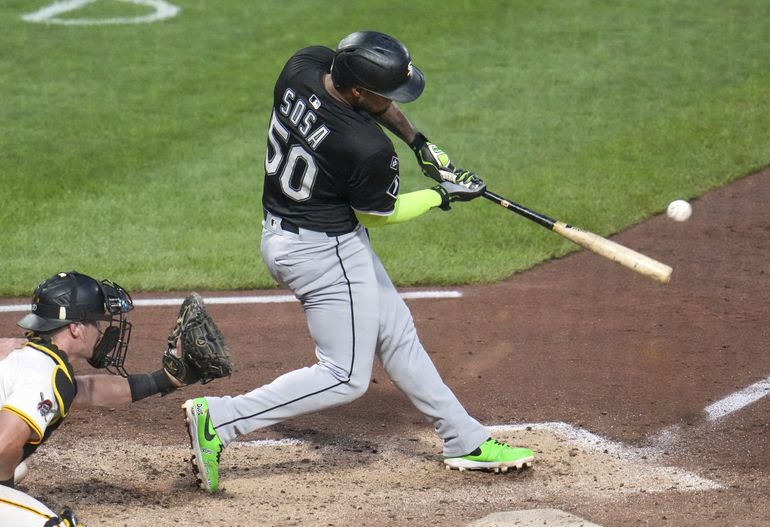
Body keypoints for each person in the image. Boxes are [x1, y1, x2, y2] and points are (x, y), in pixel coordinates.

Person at [183, 30, 535, 493]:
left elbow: (371, 103)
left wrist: (419, 143)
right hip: (324, 253)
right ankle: (221, 418)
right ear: (355, 92)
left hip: (289, 230)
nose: (390, 101)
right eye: (382, 93)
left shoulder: (303, 66)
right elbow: (378, 215)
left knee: (396, 332)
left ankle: (464, 439)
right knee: (345, 377)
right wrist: (441, 195)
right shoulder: (365, 147)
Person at [0, 271, 228, 526]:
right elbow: (3, 445)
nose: (100, 331)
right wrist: (6, 488)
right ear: (75, 328)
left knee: (15, 466)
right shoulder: (42, 373)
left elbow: (86, 391)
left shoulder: (30, 356)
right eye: (97, 322)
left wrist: (164, 380)